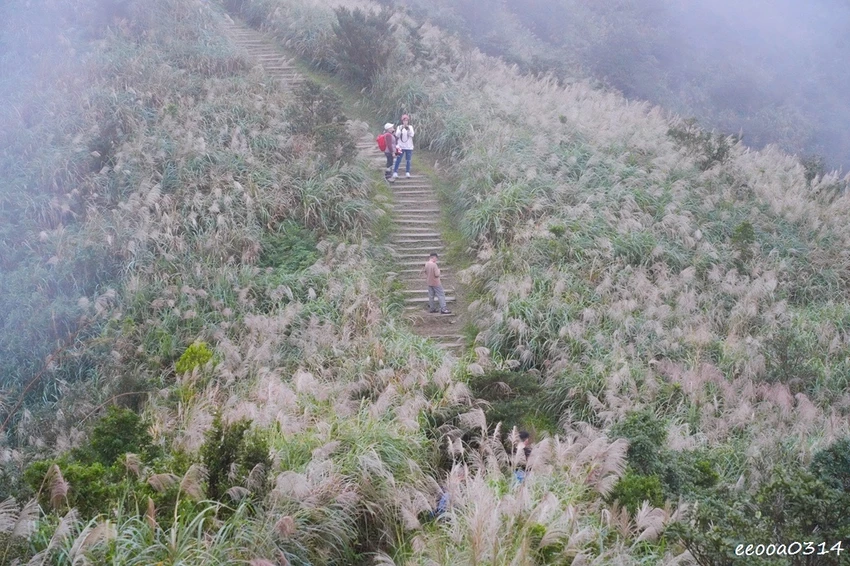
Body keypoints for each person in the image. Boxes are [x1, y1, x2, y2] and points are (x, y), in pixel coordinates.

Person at [392, 114, 414, 179]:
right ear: (402, 121)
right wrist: (401, 129)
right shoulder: (399, 127)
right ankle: (395, 172)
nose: (405, 122)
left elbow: (412, 134)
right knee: (398, 159)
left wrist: (408, 129)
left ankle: (407, 172)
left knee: (408, 160)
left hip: (409, 147)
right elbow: (397, 135)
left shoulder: (410, 127)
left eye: (406, 120)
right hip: (400, 146)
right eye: (404, 120)